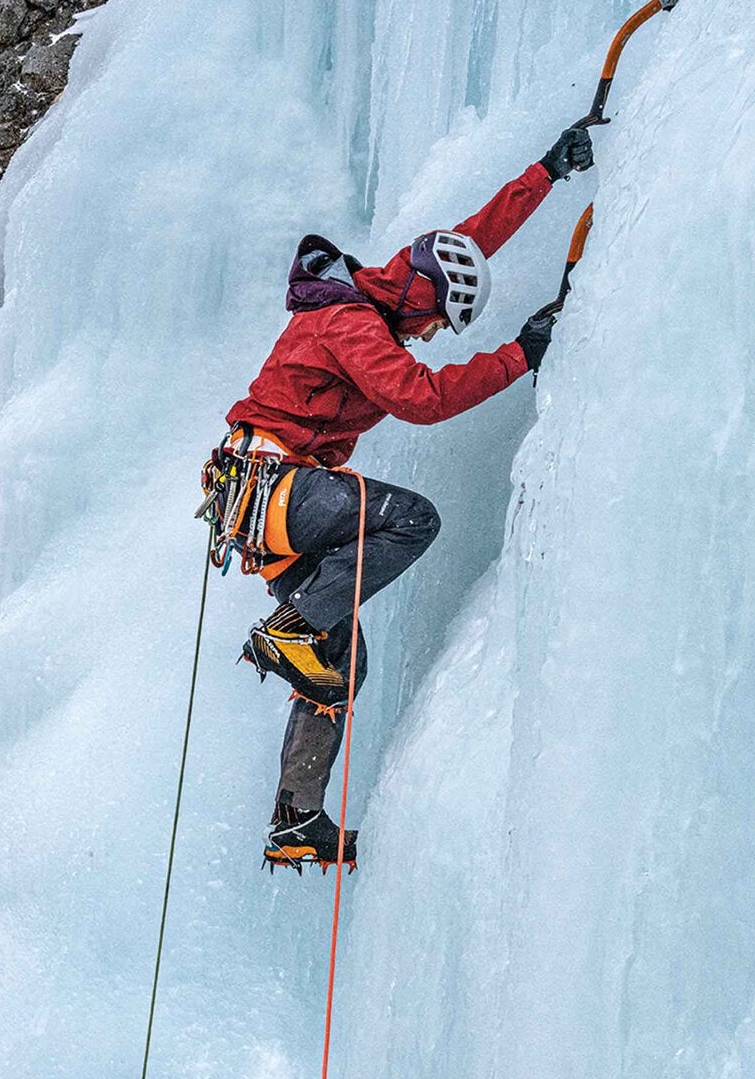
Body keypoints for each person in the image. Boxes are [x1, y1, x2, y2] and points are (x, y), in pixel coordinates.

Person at [215, 124, 594, 870]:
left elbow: (467, 243)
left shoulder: (386, 296)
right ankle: (286, 628)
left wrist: (547, 173)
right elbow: (420, 399)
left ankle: (297, 820)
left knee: (338, 663)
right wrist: (519, 356)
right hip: (272, 486)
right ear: (420, 301)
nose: (424, 336)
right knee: (412, 519)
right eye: (431, 321)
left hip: (271, 503)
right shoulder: (351, 320)